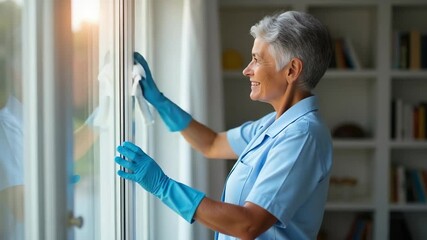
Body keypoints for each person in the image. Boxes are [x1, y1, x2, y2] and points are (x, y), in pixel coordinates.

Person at [115, 10, 333, 239]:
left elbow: (247, 225)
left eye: (257, 59)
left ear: (291, 70)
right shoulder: (272, 124)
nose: (247, 70)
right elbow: (212, 144)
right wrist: (159, 101)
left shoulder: (302, 136)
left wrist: (163, 186)